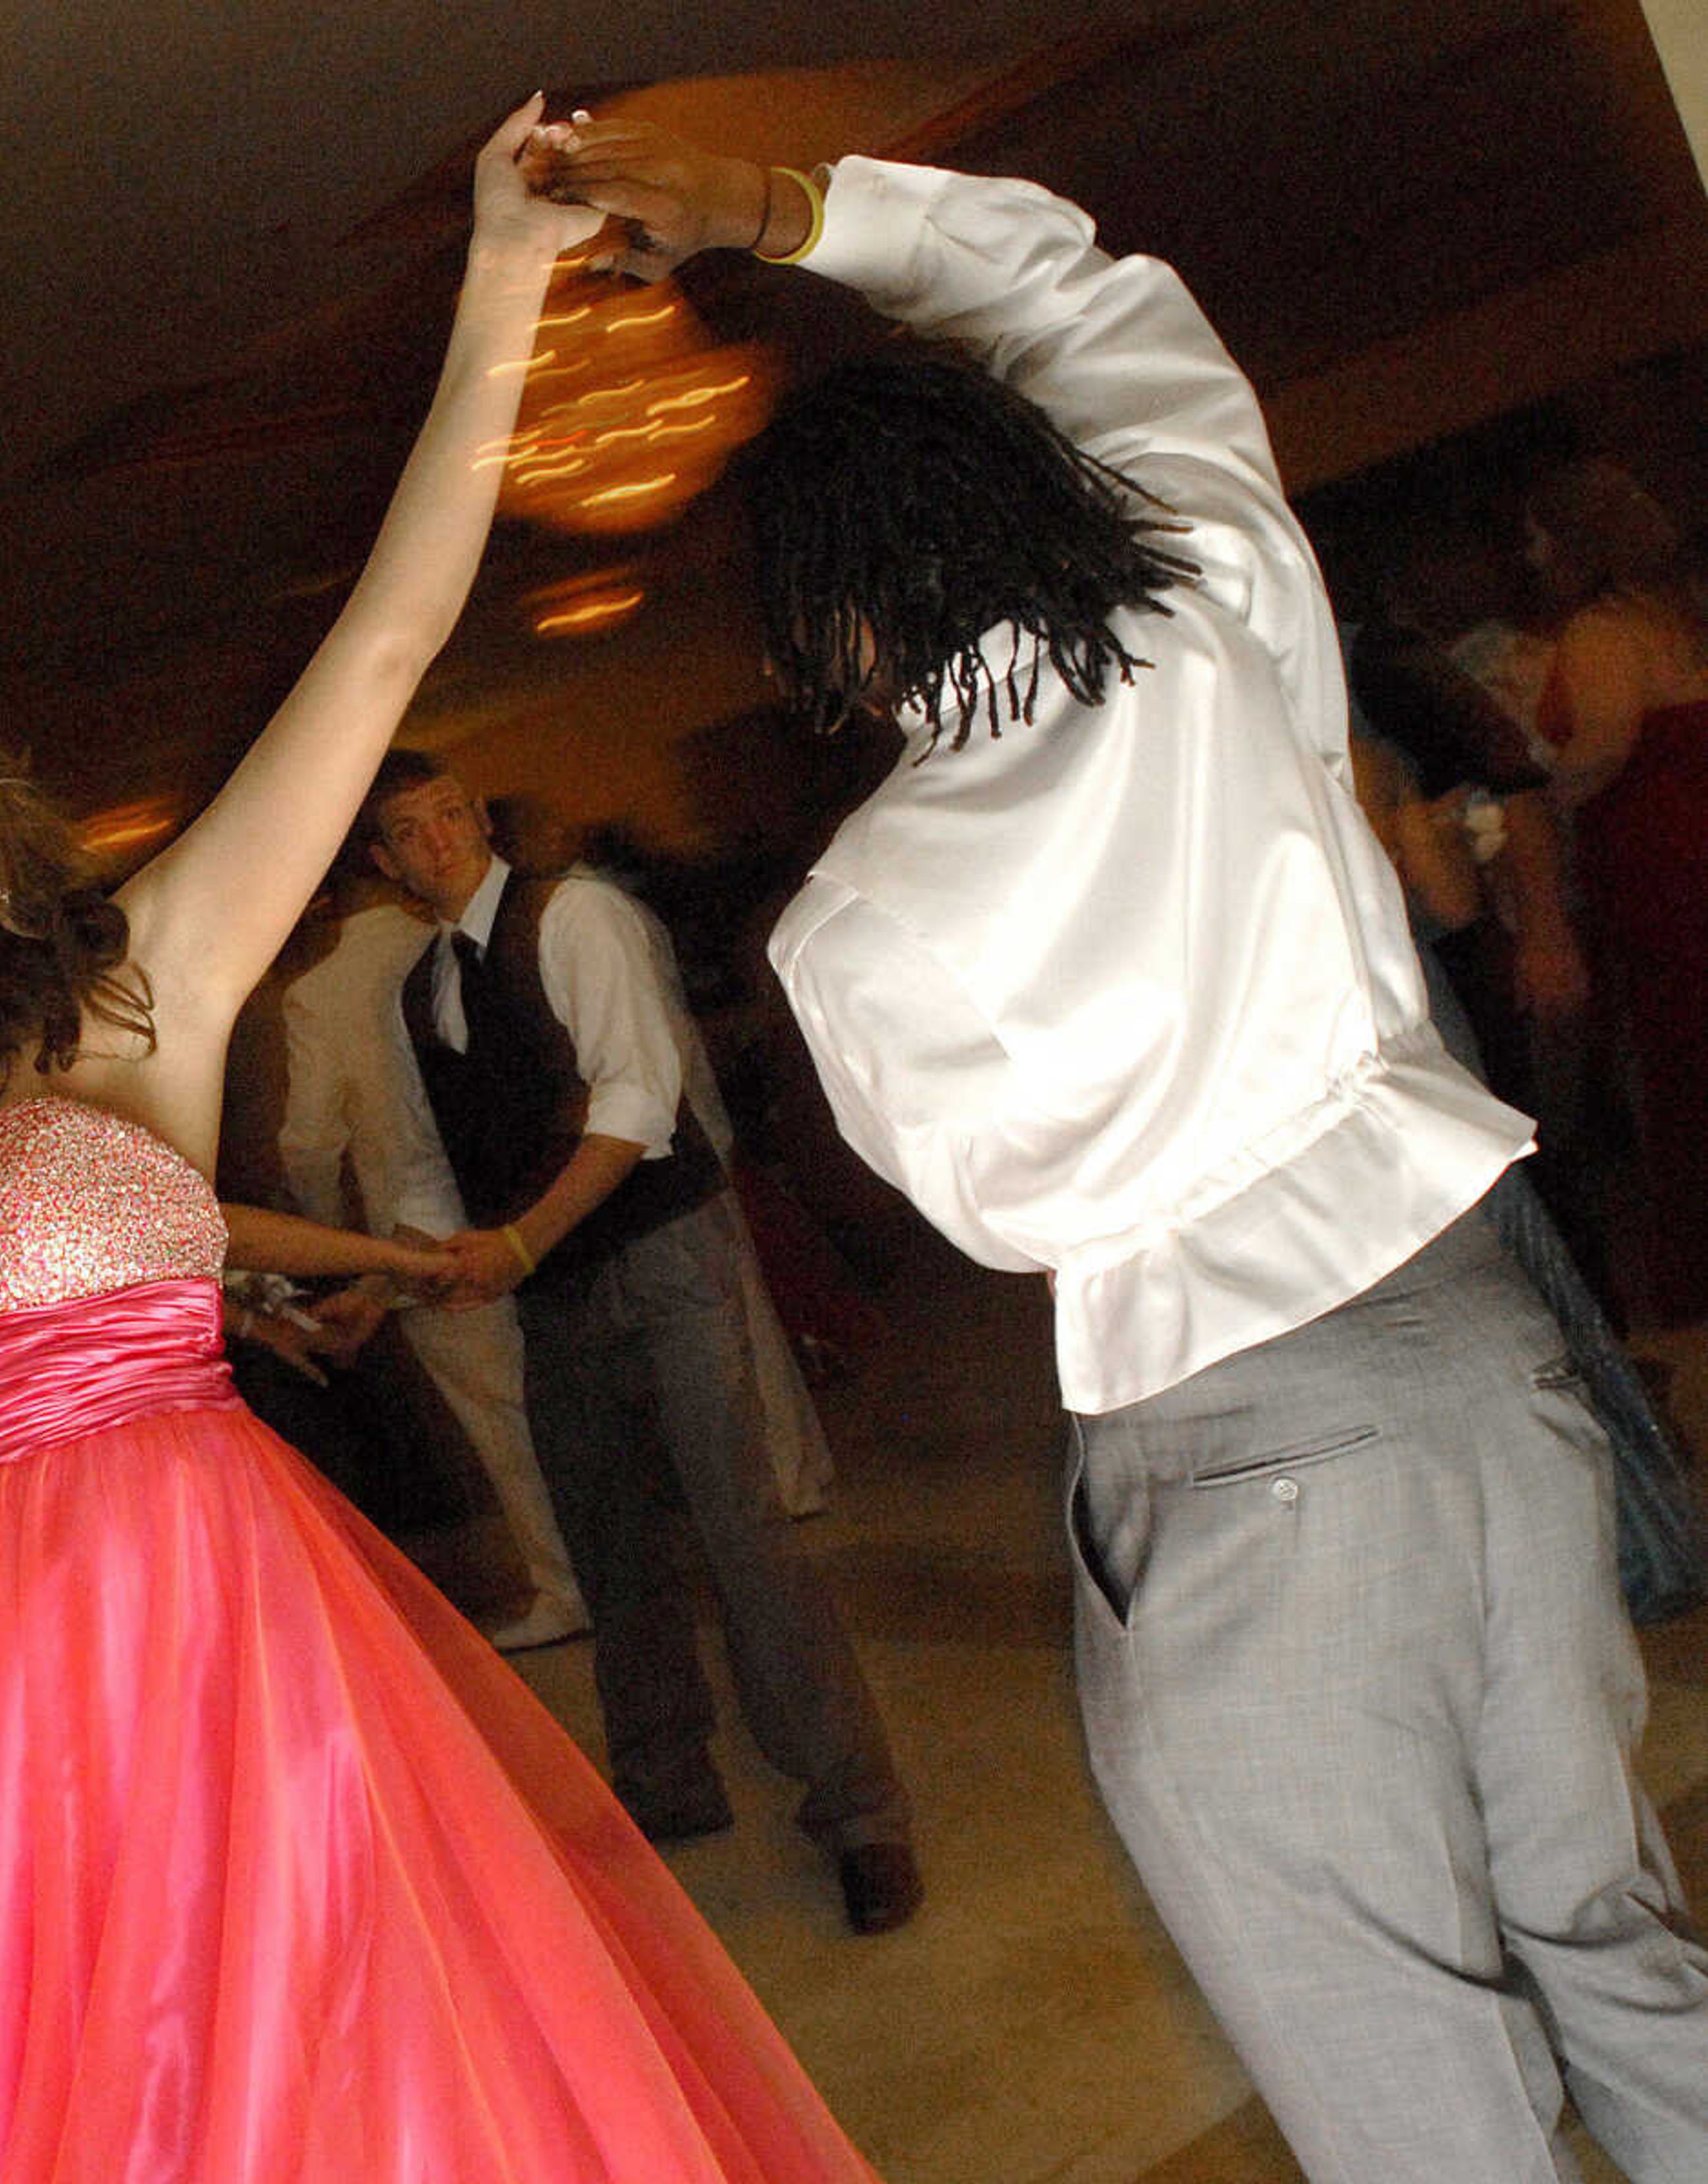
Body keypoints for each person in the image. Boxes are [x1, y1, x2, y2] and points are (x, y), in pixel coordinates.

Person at [0, 106, 882, 2184]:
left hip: (219, 1626)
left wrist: (492, 281)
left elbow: (384, 641)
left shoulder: (138, 984)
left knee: (346, 2095)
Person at [540, 118, 1708, 2183]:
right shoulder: (1215, 585)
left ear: (833, 631)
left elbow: (995, 1207)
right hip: (1481, 1353)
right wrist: (782, 214)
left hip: (1243, 1447)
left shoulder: (856, 915)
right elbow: (1096, 299)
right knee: (1610, 1938)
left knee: (1390, 2071)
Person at [360, 748, 919, 1934]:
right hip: (557, 1280)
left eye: (452, 810)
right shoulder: (420, 990)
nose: (441, 837)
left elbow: (637, 1102)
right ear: (384, 862)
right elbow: (428, 1165)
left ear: (479, 812)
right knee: (607, 1540)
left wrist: (516, 1246)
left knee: (739, 1526)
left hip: (663, 1251)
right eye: (409, 830)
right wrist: (387, 1278)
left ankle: (859, 1816)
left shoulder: (580, 915)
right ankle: (667, 1783)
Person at [277, 887, 592, 1646]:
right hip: (533, 1203)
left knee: (504, 1424)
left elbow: (308, 1140)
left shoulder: (318, 988)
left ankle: (567, 1587)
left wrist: (332, 1240)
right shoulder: (461, 943)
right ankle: (621, 1563)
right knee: (575, 1395)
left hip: (422, 1233)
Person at [1527, 463, 1708, 1328]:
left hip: (1660, 860)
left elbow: (1600, 748)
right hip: (1682, 847)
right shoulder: (1668, 619)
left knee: (1676, 1060)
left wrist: (1520, 794)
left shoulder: (1603, 632)